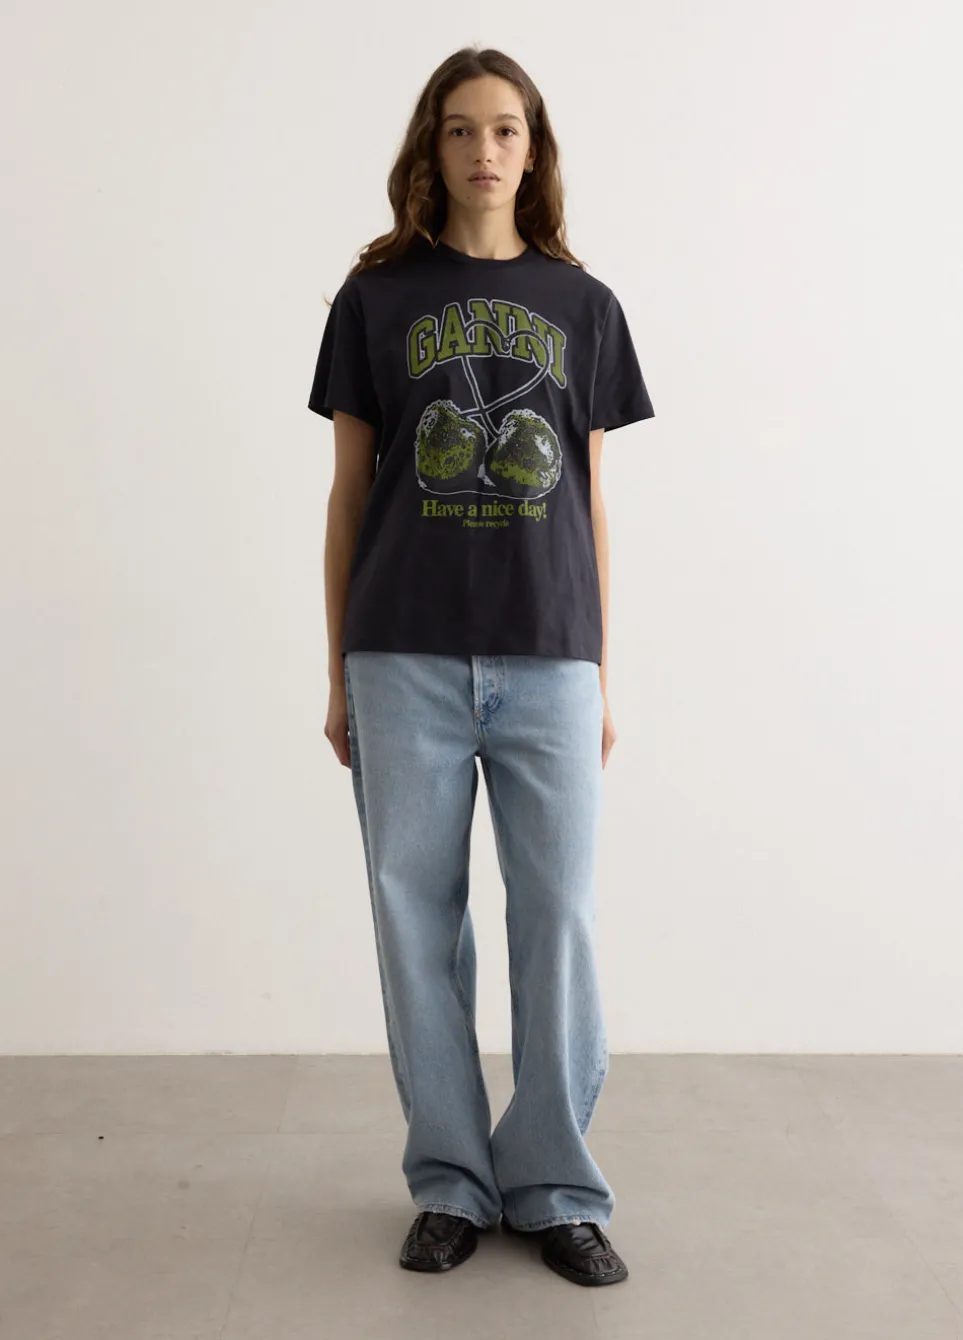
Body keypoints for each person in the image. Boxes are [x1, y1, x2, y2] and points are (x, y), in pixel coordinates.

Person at [307, 46, 654, 1288]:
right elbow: (350, 495)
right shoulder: (374, 299)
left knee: (558, 919)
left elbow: (592, 499)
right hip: (401, 648)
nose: (484, 150)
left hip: (549, 652)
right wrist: (339, 671)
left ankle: (554, 1186)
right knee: (416, 924)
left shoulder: (585, 304)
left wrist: (598, 668)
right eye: (460, 129)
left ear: (534, 149)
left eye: (506, 128)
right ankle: (452, 1181)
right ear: (432, 147)